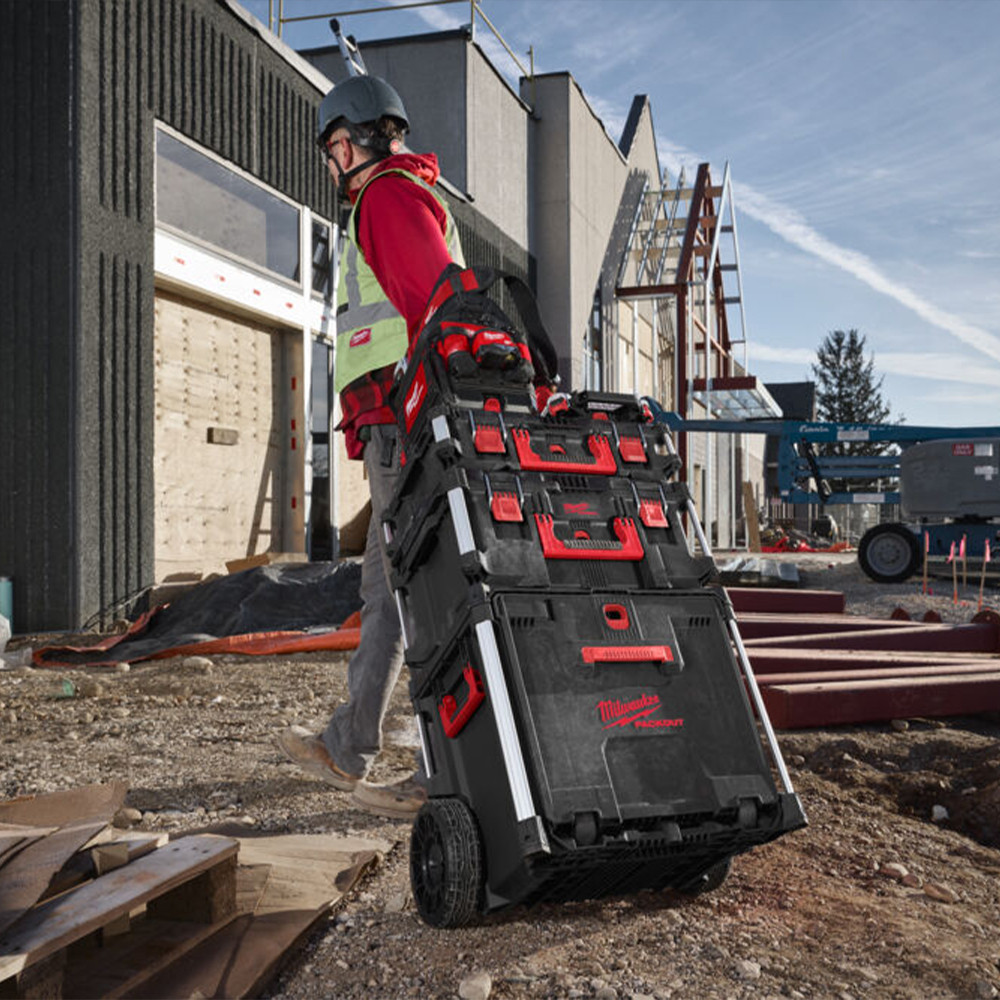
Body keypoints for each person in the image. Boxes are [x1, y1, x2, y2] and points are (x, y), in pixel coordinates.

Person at [277, 75, 463, 819]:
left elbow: (434, 307)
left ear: (348, 142)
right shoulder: (398, 196)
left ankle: (442, 771)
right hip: (393, 425)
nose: (331, 164)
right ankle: (349, 744)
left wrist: (416, 418)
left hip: (401, 424)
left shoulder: (384, 198)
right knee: (388, 590)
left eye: (331, 148)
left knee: (424, 594)